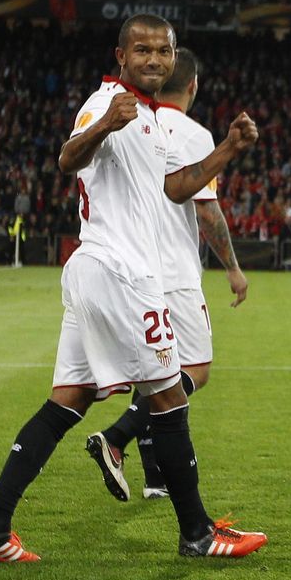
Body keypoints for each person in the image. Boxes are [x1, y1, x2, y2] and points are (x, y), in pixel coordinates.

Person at [0, 15, 266, 563]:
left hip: (101, 272)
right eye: (142, 51)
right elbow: (67, 156)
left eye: (164, 51)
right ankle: (198, 533)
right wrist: (104, 125)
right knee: (170, 397)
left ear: (174, 59)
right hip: (123, 274)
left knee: (68, 400)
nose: (154, 60)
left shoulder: (151, 117)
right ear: (121, 56)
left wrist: (227, 149)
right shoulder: (107, 101)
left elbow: (176, 188)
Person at [84, 48, 251, 503]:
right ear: (193, 86)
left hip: (132, 267)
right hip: (175, 270)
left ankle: (156, 478)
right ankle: (117, 437)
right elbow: (206, 208)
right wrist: (233, 268)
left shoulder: (141, 121)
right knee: (194, 368)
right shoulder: (193, 133)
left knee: (154, 373)